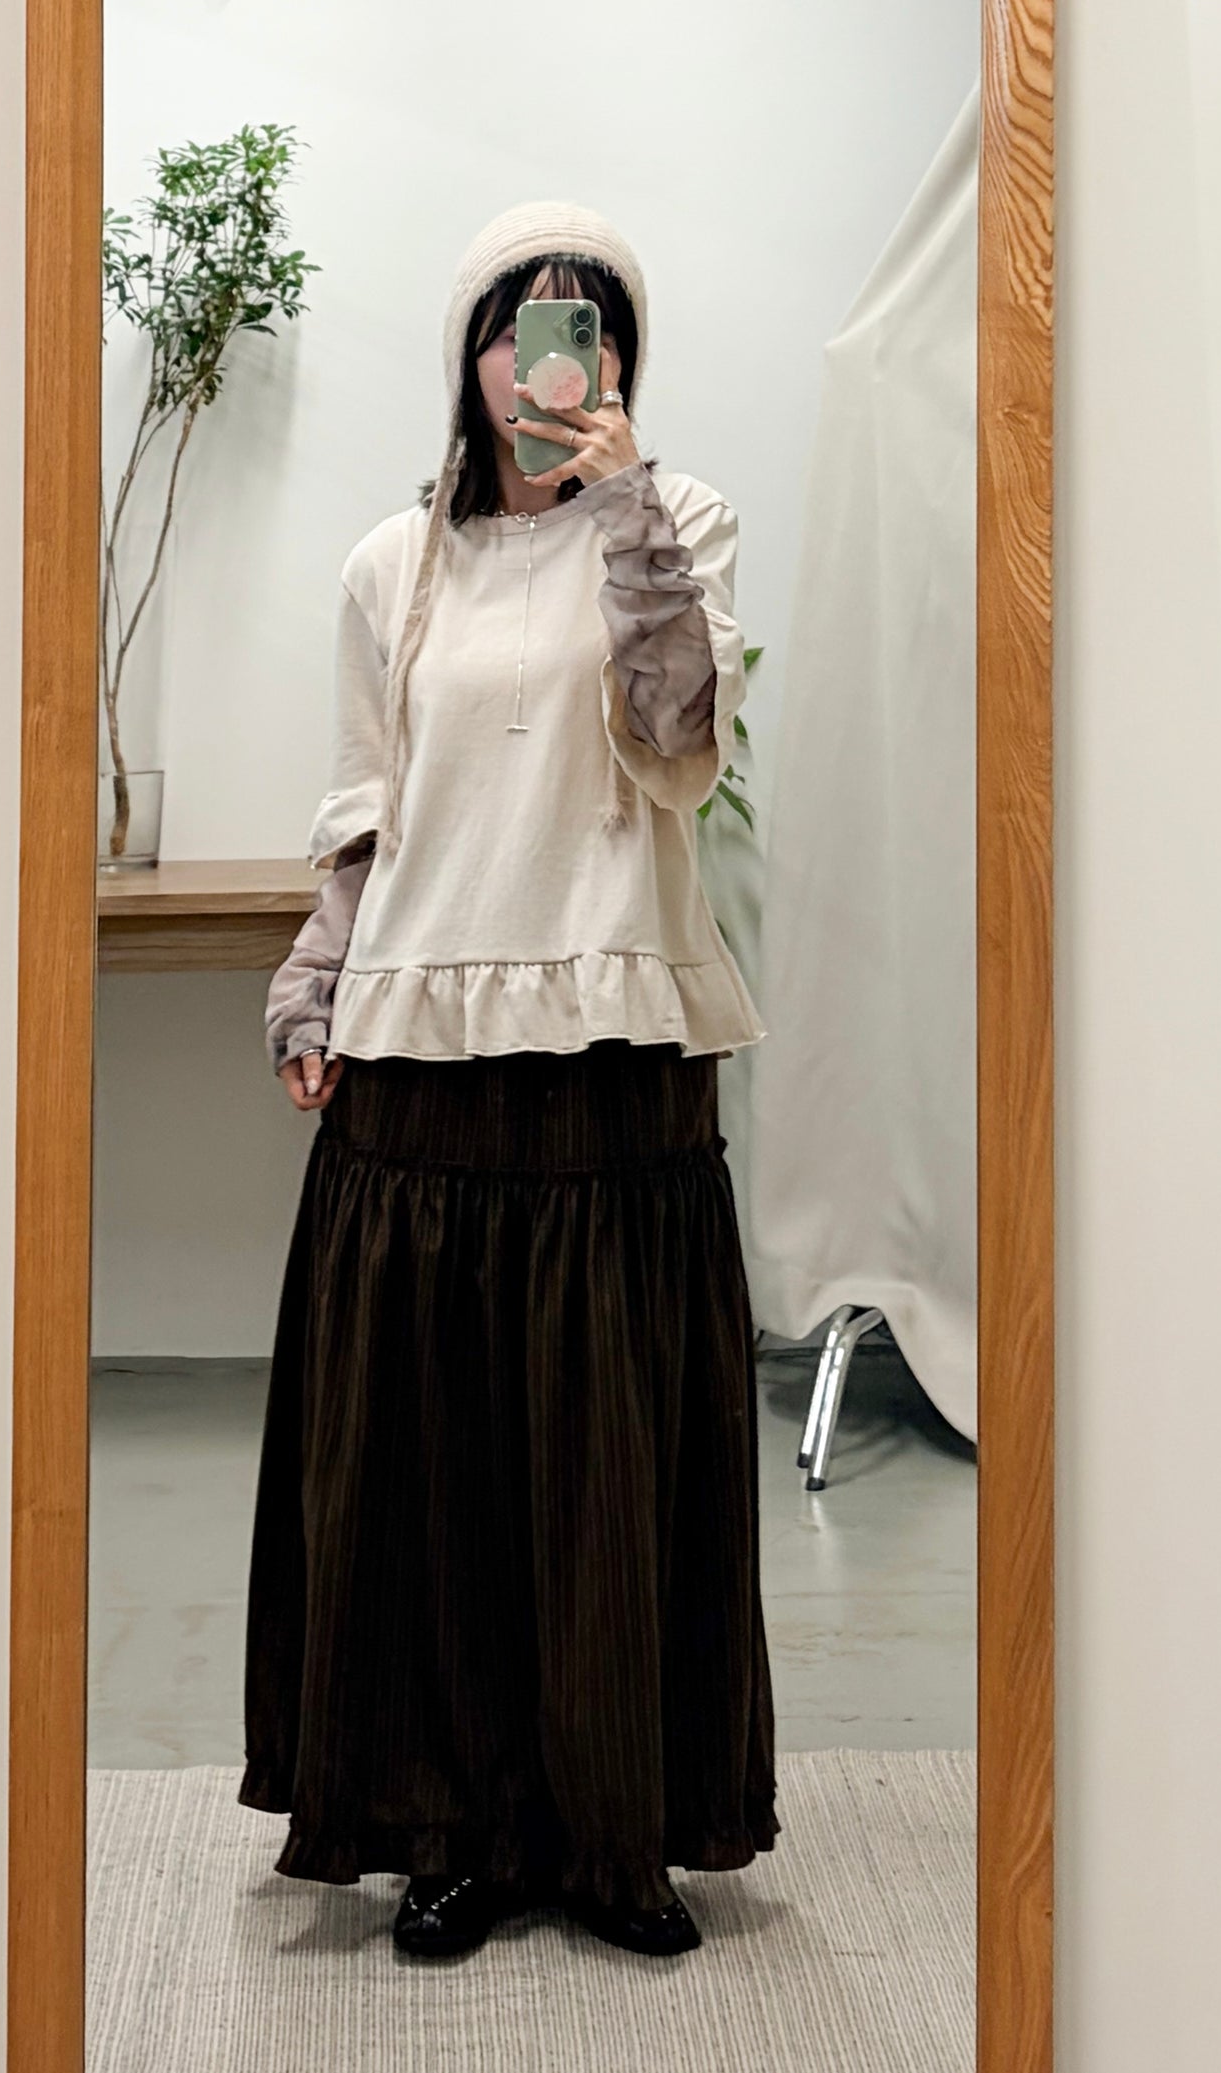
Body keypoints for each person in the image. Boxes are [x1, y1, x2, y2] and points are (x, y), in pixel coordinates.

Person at [241, 201, 776, 1963]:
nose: (551, 359)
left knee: (611, 1463)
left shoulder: (681, 520)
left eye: (587, 327)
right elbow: (364, 809)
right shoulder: (391, 565)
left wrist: (627, 515)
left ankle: (615, 1832)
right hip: (423, 1057)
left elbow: (678, 747)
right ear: (470, 356)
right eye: (522, 325)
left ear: (619, 361)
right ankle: (454, 1830)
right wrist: (312, 987)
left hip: (615, 1047)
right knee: (439, 1468)